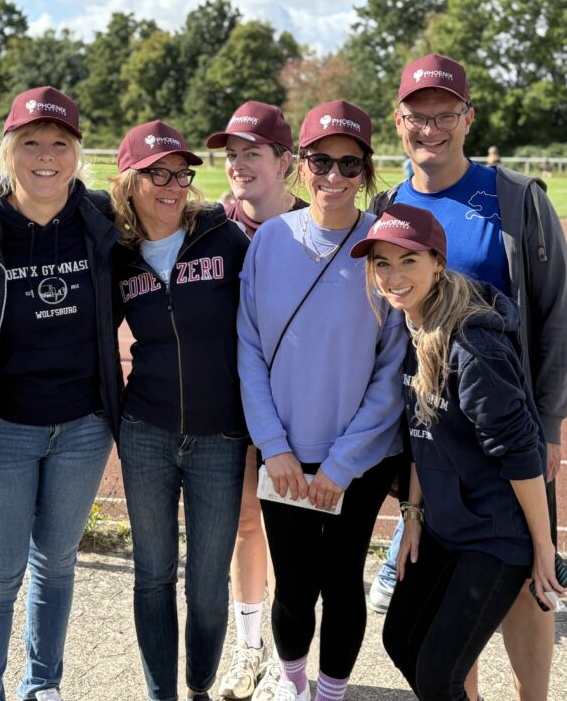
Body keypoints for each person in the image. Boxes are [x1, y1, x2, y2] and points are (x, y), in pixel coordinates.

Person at [369, 53, 567, 701]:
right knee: (450, 592)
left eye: (444, 115)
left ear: (468, 118)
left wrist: (549, 423)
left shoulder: (514, 199)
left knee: (526, 583)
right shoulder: (387, 204)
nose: (430, 129)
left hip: (505, 423)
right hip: (436, 435)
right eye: (417, 117)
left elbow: (556, 313)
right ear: (398, 121)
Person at [0, 86, 121, 701]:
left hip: (84, 427)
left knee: (57, 565)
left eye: (59, 143)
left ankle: (42, 684)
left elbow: (170, 219)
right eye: (31, 142)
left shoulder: (100, 217)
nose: (46, 156)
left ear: (77, 152)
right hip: (2, 428)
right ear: (8, 149)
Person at [351, 203, 566, 701]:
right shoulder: (413, 326)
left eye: (408, 261)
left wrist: (543, 547)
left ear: (438, 263)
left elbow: (520, 451)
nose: (394, 277)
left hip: (495, 536)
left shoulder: (473, 347)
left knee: (438, 674)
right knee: (400, 639)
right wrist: (412, 516)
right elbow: (422, 432)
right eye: (382, 263)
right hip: (445, 527)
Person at [237, 101, 407, 701]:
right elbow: (248, 350)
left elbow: (392, 369)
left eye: (349, 164)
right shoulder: (269, 241)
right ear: (299, 165)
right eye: (320, 161)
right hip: (285, 454)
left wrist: (341, 464)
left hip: (357, 461)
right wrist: (274, 447)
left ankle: (331, 693)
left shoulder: (383, 246)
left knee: (341, 582)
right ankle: (291, 685)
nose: (334, 176)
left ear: (366, 171)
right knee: (293, 586)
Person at [109, 120, 251, 701]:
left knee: (208, 586)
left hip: (221, 436)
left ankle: (198, 685)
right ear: (129, 182)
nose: (172, 187)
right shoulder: (117, 257)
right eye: (157, 175)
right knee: (153, 575)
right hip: (145, 431)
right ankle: (160, 693)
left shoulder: (224, 238)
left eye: (180, 174)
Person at [204, 100, 306, 701]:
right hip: (231, 404)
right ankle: (249, 651)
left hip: (301, 408)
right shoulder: (211, 226)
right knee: (246, 522)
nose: (239, 164)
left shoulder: (315, 226)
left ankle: (293, 663)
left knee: (297, 534)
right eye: (232, 155)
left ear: (284, 161)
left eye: (253, 153)